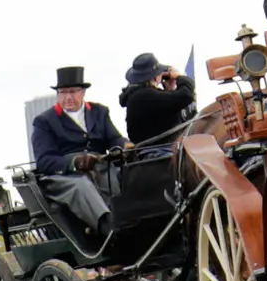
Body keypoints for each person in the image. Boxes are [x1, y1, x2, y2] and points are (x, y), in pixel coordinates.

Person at [28, 66, 125, 227]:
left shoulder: (99, 112)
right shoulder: (44, 122)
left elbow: (114, 138)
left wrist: (124, 146)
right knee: (82, 186)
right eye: (63, 92)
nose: (68, 97)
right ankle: (108, 228)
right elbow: (44, 161)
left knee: (126, 174)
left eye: (72, 92)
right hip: (65, 177)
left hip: (101, 166)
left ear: (83, 92)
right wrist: (75, 163)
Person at [119, 53, 197, 144]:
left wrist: (170, 90)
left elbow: (170, 107)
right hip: (160, 152)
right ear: (155, 77)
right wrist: (180, 77)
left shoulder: (138, 96)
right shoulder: (145, 96)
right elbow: (186, 96)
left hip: (153, 150)